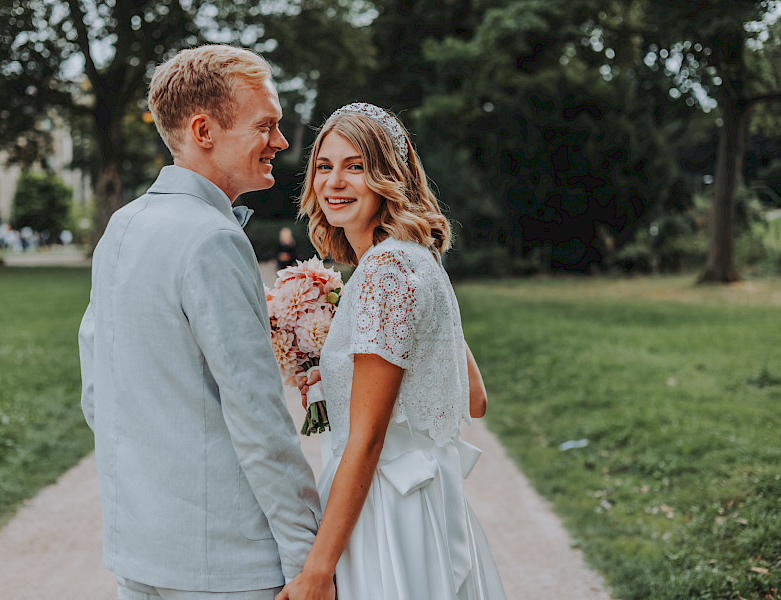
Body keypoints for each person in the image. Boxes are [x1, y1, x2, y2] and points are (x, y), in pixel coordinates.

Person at [78, 45, 327, 600]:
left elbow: (98, 393)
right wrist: (307, 559)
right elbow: (258, 416)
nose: (282, 143)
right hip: (226, 561)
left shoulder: (122, 226)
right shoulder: (212, 238)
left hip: (139, 551)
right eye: (267, 125)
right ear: (204, 129)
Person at [277, 103, 506, 600]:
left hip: (382, 512)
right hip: (424, 504)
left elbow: (368, 438)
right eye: (324, 166)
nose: (334, 182)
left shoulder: (385, 273)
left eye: (355, 166)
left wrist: (318, 571)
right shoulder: (417, 261)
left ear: (387, 176)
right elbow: (474, 396)